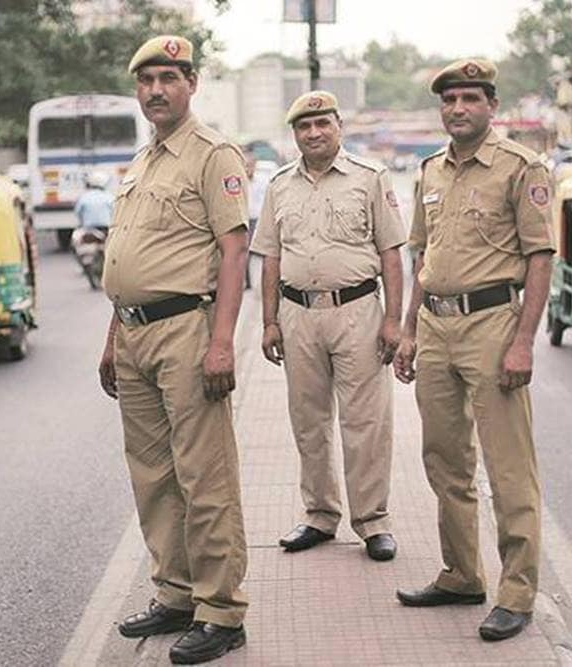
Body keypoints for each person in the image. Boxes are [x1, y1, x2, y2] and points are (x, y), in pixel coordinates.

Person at [99, 35, 250, 665]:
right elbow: (126, 256)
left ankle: (221, 611)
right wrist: (113, 337)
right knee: (154, 475)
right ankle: (177, 592)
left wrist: (222, 343)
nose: (156, 90)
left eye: (168, 78)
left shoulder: (213, 154)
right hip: (133, 333)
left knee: (203, 474)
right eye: (146, 81)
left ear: (191, 84)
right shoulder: (143, 161)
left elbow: (235, 251)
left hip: (186, 330)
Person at [392, 58, 555, 643]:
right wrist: (408, 330)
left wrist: (523, 342)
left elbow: (540, 257)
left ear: (491, 106)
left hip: (493, 325)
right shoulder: (430, 171)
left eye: (469, 99)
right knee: (444, 459)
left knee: (508, 467)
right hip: (435, 326)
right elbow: (422, 255)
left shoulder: (520, 167)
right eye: (449, 100)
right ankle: (461, 574)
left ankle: (517, 593)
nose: (457, 109)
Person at [250, 91, 405, 562]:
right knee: (308, 421)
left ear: (339, 127)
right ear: (295, 134)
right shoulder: (280, 185)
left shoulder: (370, 177)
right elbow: (271, 257)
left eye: (323, 124)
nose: (314, 133)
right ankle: (319, 515)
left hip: (357, 312)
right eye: (304, 126)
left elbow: (391, 255)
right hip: (297, 315)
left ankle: (373, 521)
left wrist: (393, 321)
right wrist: (269, 321)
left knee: (366, 422)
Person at [243, 153, 270, 289]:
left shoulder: (262, 180)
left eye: (250, 165)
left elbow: (266, 200)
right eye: (246, 166)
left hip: (258, 220)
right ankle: (247, 282)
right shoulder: (240, 182)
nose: (248, 169)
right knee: (244, 251)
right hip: (245, 220)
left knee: (263, 251)